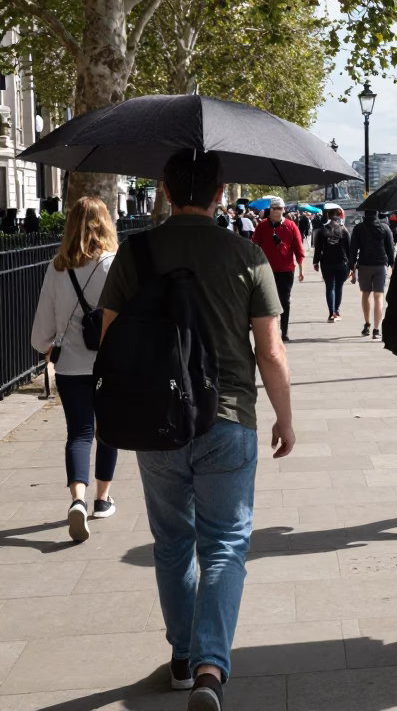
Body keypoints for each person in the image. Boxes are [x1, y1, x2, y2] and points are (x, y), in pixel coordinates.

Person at [97, 150, 294, 710]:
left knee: (172, 542)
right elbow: (271, 353)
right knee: (226, 544)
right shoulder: (248, 253)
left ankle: (182, 656)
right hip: (229, 417)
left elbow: (110, 341)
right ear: (220, 191)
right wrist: (284, 417)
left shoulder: (137, 253)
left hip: (157, 420)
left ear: (162, 188)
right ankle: (211, 666)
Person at [30, 197, 119, 542]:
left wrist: (44, 346)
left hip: (70, 365)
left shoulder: (57, 267)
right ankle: (102, 499)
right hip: (109, 363)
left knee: (79, 433)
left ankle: (77, 501)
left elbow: (43, 325)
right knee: (108, 430)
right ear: (104, 223)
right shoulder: (114, 264)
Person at [251, 199, 304, 343]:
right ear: (270, 209)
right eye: (273, 208)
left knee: (284, 300)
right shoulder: (262, 226)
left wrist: (301, 269)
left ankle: (284, 331)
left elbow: (298, 248)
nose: (276, 211)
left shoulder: (290, 226)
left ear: (284, 209)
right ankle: (271, 330)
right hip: (265, 269)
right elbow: (253, 246)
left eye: (279, 208)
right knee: (267, 301)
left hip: (286, 270)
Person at [349, 208, 395, 340]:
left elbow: (353, 249)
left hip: (364, 265)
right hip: (381, 266)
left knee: (365, 294)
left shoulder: (358, 228)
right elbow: (390, 249)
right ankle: (377, 329)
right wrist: (393, 265)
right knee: (378, 296)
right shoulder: (385, 228)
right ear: (377, 214)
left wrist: (351, 267)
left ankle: (367, 324)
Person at [312, 205, 351, 322]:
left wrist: (316, 262)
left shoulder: (322, 230)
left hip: (326, 262)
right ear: (339, 216)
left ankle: (331, 313)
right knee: (339, 286)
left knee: (330, 287)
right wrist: (352, 265)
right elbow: (349, 249)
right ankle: (337, 311)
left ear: (328, 216)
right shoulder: (344, 230)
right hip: (342, 262)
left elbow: (318, 248)